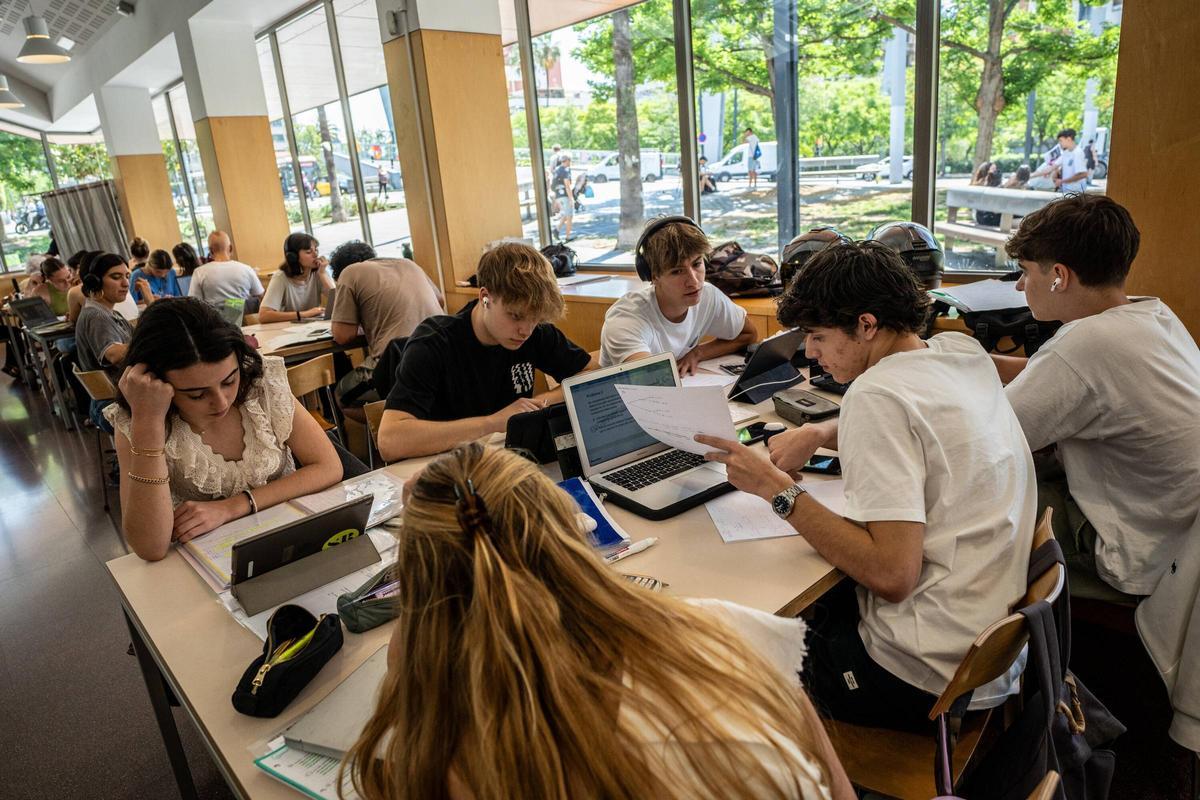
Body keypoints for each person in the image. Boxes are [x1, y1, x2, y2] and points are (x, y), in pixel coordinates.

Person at [346, 443, 853, 800]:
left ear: (420, 588)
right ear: (572, 533)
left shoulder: (459, 747)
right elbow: (835, 785)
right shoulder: (723, 629)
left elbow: (411, 675)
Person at [699, 242, 1035, 733]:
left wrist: (775, 489)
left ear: (867, 324)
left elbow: (892, 574)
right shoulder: (959, 352)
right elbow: (924, 419)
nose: (809, 352)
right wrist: (819, 430)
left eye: (816, 336)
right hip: (989, 647)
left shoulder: (875, 397)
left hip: (918, 674)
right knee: (818, 598)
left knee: (724, 653)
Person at [991, 194, 1200, 598]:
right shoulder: (1151, 315)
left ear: (1059, 276)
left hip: (1139, 553)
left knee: (976, 507)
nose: (1020, 285)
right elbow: (1060, 377)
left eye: (1025, 272)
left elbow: (986, 439)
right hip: (1178, 531)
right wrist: (978, 364)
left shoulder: (1082, 346)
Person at [105, 298, 344, 562]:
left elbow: (329, 467)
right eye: (196, 395)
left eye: (229, 381)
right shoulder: (138, 419)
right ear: (156, 384)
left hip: (293, 540)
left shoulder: (259, 383)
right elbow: (151, 547)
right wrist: (148, 423)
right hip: (207, 564)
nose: (221, 402)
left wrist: (235, 506)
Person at [377, 242, 596, 462]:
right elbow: (390, 441)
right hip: (448, 467)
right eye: (515, 316)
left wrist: (539, 404)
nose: (526, 330)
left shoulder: (535, 331)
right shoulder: (433, 343)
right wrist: (494, 422)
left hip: (506, 460)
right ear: (485, 297)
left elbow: (589, 375)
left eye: (536, 318)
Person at [600, 217, 757, 373]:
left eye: (697, 264)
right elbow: (650, 381)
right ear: (653, 276)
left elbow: (748, 334)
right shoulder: (626, 318)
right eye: (677, 271)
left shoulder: (708, 295)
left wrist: (698, 353)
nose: (693, 281)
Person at [327, 240, 444, 413]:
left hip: (401, 361)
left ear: (338, 273)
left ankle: (397, 425)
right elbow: (440, 300)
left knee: (341, 396)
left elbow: (342, 335)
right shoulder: (408, 264)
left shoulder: (349, 273)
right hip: (443, 353)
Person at [75, 253, 134, 431]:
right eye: (116, 277)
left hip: (120, 396)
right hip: (110, 404)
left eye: (127, 276)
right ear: (95, 282)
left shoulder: (110, 313)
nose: (125, 283)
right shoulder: (97, 315)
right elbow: (114, 354)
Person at [259, 233, 334, 324]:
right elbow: (264, 316)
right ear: (293, 257)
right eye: (308, 252)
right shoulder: (280, 277)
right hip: (286, 329)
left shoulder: (320, 272)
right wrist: (304, 314)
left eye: (316, 250)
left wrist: (322, 274)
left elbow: (340, 300)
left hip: (312, 326)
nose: (315, 255)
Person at [188, 231, 264, 317]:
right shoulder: (246, 269)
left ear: (210, 250)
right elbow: (262, 297)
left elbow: (193, 304)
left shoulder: (199, 272)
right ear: (231, 248)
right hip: (245, 324)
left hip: (216, 324)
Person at [1053, 128, 1088, 193]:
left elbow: (1083, 174)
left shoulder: (1078, 152)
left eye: (1061, 141)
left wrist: (1062, 181)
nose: (1060, 143)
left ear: (1069, 139)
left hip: (1077, 192)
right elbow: (1053, 166)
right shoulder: (1066, 152)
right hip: (1067, 191)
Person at [552, 155, 574, 241]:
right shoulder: (565, 170)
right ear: (567, 161)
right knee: (569, 216)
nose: (570, 163)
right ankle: (568, 237)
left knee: (565, 214)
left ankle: (556, 230)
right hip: (564, 195)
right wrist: (571, 198)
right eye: (570, 161)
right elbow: (567, 185)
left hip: (558, 195)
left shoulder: (557, 169)